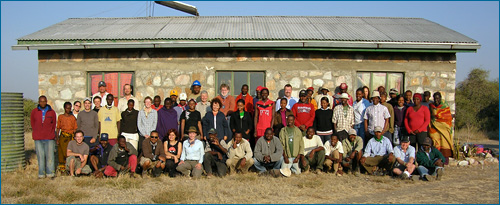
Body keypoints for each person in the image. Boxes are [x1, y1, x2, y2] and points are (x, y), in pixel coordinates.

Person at [31, 96, 57, 179]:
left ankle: (50, 173)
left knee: (50, 157)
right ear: (38, 102)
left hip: (49, 138)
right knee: (40, 156)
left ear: (46, 101)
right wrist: (36, 132)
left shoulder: (51, 112)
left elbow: (53, 124)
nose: (42, 103)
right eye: (41, 101)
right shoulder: (34, 112)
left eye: (44, 101)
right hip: (38, 138)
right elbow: (32, 123)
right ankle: (41, 174)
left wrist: (51, 134)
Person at [429, 92, 454, 161]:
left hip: (444, 129)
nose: (436, 100)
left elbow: (447, 117)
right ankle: (436, 159)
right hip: (434, 129)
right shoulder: (431, 106)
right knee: (435, 143)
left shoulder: (445, 106)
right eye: (435, 98)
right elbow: (431, 117)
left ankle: (445, 160)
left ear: (440, 98)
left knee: (445, 143)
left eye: (438, 98)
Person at [55, 102, 78, 171]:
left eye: (70, 108)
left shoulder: (72, 118)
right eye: (67, 108)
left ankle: (69, 168)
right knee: (61, 153)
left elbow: (75, 128)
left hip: (70, 137)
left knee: (69, 153)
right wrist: (57, 138)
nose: (68, 109)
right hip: (63, 136)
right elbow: (58, 128)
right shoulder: (61, 117)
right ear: (64, 108)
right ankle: (62, 169)